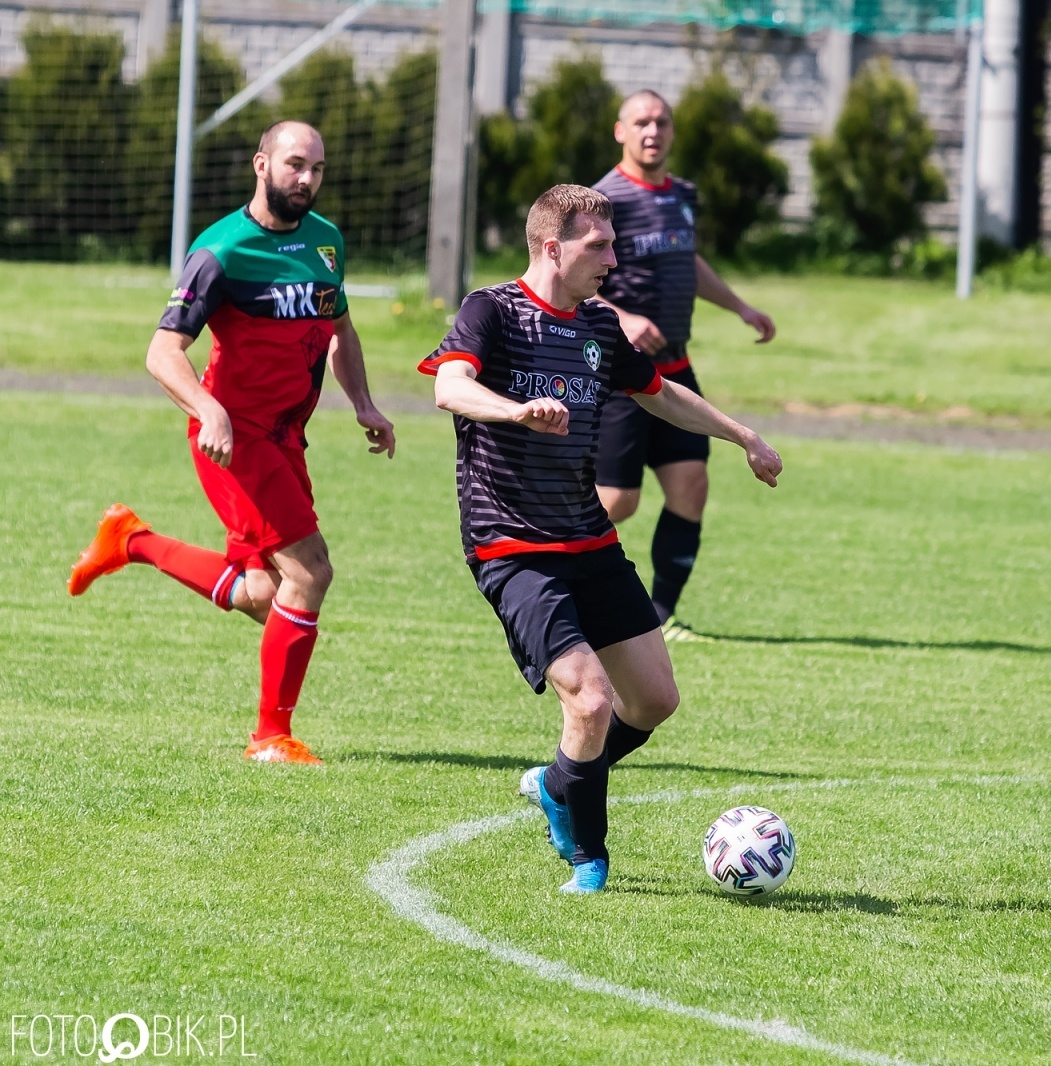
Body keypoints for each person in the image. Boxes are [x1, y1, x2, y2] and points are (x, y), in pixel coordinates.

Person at [420, 185, 782, 894]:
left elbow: (660, 392)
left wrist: (743, 435)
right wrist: (517, 411)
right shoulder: (490, 310)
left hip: (587, 538)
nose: (613, 260)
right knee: (588, 700)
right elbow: (450, 388)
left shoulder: (597, 325)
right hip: (511, 546)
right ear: (553, 247)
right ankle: (589, 860)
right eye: (600, 246)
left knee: (653, 701)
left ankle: (559, 781)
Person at [67, 120, 396, 766]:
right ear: (261, 165)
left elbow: (340, 330)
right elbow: (162, 353)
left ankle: (130, 540)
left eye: (317, 169)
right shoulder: (221, 250)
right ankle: (270, 738)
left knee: (267, 596)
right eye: (295, 164)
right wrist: (207, 408)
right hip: (234, 438)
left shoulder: (326, 242)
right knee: (310, 571)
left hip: (285, 437)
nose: (307, 179)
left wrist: (362, 402)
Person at [590, 89, 777, 641]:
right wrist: (622, 317)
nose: (653, 131)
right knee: (617, 500)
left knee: (691, 486)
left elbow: (686, 260)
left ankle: (659, 617)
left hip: (676, 366)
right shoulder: (602, 200)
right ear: (620, 131)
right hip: (621, 374)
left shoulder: (682, 194)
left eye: (662, 122)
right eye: (641, 122)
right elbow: (565, 278)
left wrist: (740, 306)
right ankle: (539, 568)